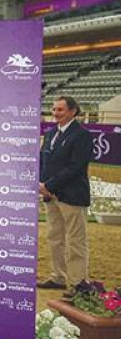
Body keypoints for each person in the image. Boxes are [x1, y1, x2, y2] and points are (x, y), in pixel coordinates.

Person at [38, 95, 94, 296]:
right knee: (55, 238)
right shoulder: (52, 133)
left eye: (60, 110)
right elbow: (43, 161)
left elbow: (76, 167)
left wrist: (49, 184)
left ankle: (79, 282)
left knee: (76, 240)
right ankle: (58, 277)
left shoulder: (82, 136)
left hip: (72, 195)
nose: (55, 113)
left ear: (72, 111)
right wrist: (41, 183)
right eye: (54, 109)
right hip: (51, 196)